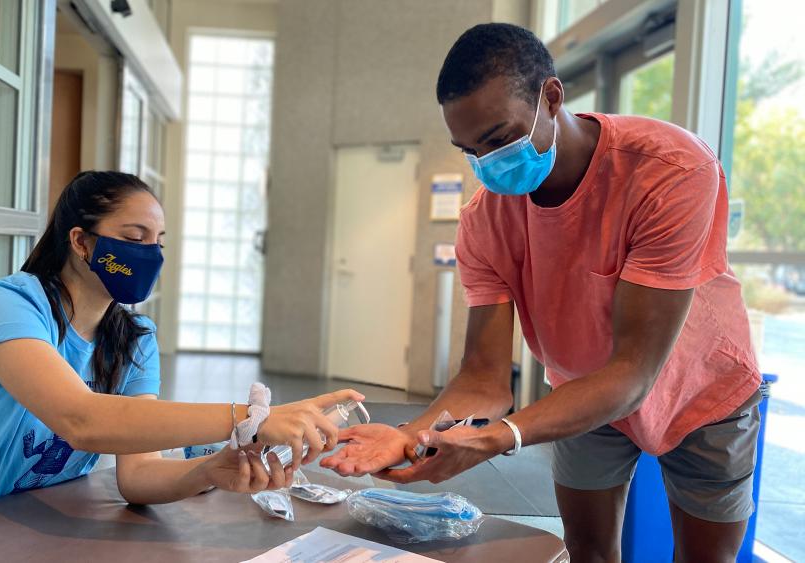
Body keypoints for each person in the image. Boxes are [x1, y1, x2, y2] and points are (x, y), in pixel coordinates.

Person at [321, 23, 761, 563]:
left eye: (499, 138)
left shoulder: (670, 170)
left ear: (551, 97)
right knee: (589, 553)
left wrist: (497, 438)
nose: (488, 163)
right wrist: (411, 433)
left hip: (704, 392)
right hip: (582, 398)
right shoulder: (485, 222)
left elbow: (632, 374)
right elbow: (483, 378)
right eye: (469, 150)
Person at [0, 170, 362, 527]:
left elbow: (139, 475)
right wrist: (245, 418)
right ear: (81, 242)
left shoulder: (134, 340)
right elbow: (81, 420)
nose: (150, 253)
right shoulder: (12, 303)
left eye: (158, 240)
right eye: (133, 237)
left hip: (15, 529)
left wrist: (211, 469)